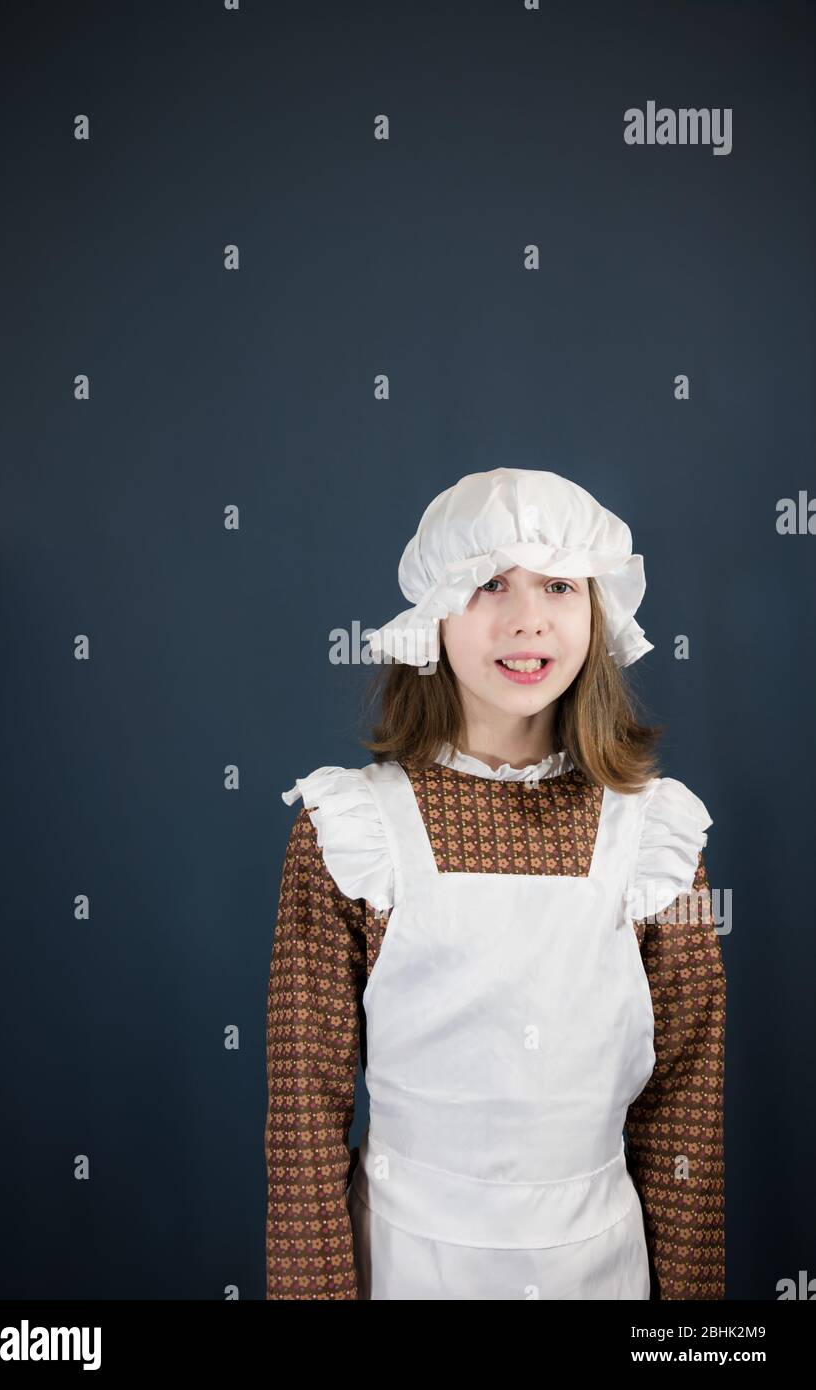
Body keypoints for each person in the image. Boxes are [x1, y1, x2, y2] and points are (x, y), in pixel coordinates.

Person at [265, 468, 725, 1300]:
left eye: (558, 584)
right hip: (411, 1264)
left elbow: (685, 1108)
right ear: (433, 612)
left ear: (599, 610)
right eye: (488, 584)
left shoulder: (656, 837)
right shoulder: (350, 832)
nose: (528, 619)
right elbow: (305, 1117)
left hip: (600, 1268)